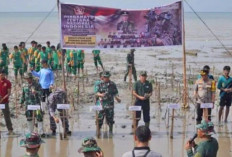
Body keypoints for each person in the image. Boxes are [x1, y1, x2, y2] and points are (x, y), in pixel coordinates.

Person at [20, 72, 45, 137]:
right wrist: (21, 102)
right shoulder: (24, 85)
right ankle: (30, 132)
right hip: (28, 105)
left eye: (28, 78)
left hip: (36, 104)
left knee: (39, 117)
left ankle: (41, 132)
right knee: (29, 118)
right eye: (26, 79)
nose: (27, 80)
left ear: (31, 78)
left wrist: (36, 92)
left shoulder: (37, 84)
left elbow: (42, 93)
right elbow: (23, 95)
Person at [0, 69, 14, 135]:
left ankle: (10, 129)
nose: (2, 76)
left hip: (4, 102)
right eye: (1, 75)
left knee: (7, 116)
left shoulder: (7, 82)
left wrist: (2, 99)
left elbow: (8, 93)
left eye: (3, 75)